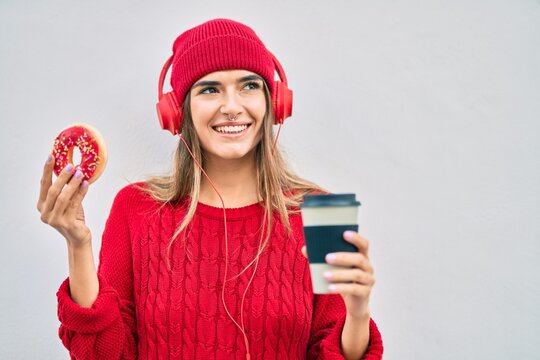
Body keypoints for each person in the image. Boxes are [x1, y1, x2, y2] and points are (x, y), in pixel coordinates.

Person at [37, 18, 384, 360]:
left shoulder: (323, 214)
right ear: (179, 111)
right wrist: (78, 245)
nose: (232, 107)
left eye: (249, 86)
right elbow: (105, 356)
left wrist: (358, 314)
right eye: (209, 89)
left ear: (274, 102)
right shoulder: (134, 208)